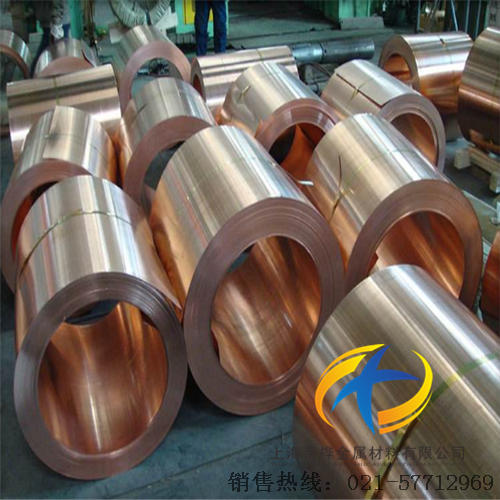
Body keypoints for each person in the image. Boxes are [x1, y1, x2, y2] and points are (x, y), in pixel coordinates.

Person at [31, 0, 71, 73]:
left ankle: (32, 76)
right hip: (51, 20)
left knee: (59, 54)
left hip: (56, 22)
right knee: (57, 55)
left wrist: (56, 24)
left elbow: (58, 2)